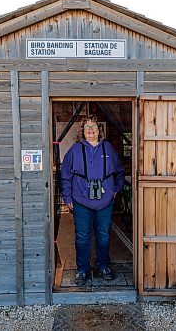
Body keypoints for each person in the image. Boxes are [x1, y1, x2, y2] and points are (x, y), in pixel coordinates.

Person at [61, 115, 124, 286]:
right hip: (81, 201)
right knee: (82, 237)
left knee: (103, 236)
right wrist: (67, 198)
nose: (90, 130)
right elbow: (65, 175)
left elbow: (119, 171)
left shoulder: (109, 148)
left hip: (105, 201)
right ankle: (82, 270)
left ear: (99, 130)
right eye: (87, 127)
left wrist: (115, 190)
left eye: (94, 127)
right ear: (83, 131)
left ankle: (103, 266)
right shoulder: (74, 150)